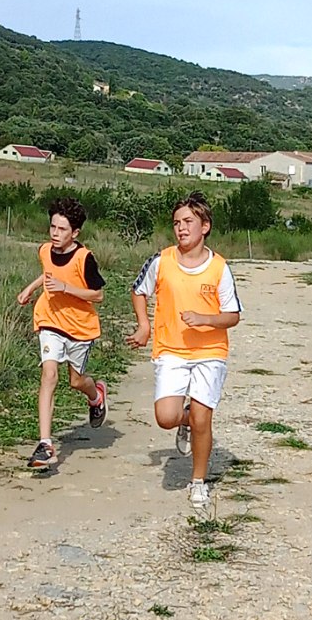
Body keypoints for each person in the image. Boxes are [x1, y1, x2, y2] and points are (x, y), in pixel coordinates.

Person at [126, 192, 241, 514]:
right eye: (176, 223)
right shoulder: (161, 261)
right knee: (166, 417)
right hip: (171, 349)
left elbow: (233, 315)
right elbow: (138, 291)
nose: (181, 228)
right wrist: (144, 325)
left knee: (204, 417)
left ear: (205, 226)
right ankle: (185, 420)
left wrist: (206, 319)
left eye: (188, 221)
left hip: (210, 350)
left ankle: (198, 481)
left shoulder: (219, 268)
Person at [17, 197, 107, 469]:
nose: (55, 233)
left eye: (62, 229)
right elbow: (48, 273)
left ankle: (96, 396)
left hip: (79, 327)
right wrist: (31, 288)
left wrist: (66, 288)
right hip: (50, 320)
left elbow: (98, 294)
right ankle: (45, 444)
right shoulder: (45, 250)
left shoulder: (84, 258)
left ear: (75, 233)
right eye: (53, 227)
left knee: (76, 382)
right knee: (49, 375)